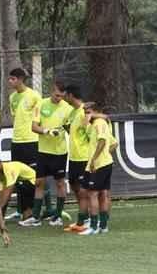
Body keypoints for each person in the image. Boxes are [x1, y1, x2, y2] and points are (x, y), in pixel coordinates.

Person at [30, 80, 73, 227]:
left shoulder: (67, 108)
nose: (59, 98)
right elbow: (34, 127)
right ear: (51, 91)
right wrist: (47, 131)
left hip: (60, 152)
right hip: (43, 151)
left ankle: (58, 216)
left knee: (60, 183)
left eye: (61, 96)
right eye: (56, 95)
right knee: (39, 183)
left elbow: (69, 128)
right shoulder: (41, 104)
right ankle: (35, 217)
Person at [7, 68, 42, 215]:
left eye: (13, 79)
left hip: (31, 141)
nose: (10, 81)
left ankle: (33, 210)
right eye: (9, 79)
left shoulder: (34, 96)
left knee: (33, 177)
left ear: (21, 79)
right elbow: (16, 117)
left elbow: (38, 119)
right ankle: (22, 210)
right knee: (18, 176)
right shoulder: (12, 97)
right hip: (16, 142)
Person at [81, 106, 117, 236]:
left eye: (88, 112)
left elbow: (102, 141)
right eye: (85, 112)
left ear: (96, 112)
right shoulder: (94, 125)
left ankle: (93, 226)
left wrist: (95, 159)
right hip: (103, 163)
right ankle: (103, 226)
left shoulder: (99, 123)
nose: (86, 115)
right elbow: (114, 142)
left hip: (99, 165)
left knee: (93, 194)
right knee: (102, 194)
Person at [63, 85, 94, 233]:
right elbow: (72, 131)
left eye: (65, 95)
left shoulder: (84, 112)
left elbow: (90, 134)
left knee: (83, 191)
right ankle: (84, 217)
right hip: (74, 157)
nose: (63, 98)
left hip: (83, 157)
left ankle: (85, 221)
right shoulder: (72, 112)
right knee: (75, 187)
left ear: (70, 95)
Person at [0, 155, 38, 225]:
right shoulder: (0, 175)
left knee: (20, 186)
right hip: (25, 183)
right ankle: (2, 218)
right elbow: (0, 193)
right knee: (15, 188)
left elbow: (8, 192)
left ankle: (30, 216)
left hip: (36, 183)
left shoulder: (10, 169)